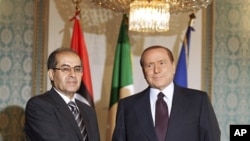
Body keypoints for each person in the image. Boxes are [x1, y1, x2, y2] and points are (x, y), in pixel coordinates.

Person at [112, 45, 220, 141]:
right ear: (144, 72)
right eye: (149, 65)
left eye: (161, 63)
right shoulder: (127, 106)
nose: (156, 70)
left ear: (173, 66)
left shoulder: (198, 101)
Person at [25, 48, 100, 141]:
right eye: (65, 69)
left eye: (77, 69)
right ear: (52, 74)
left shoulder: (89, 111)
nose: (73, 74)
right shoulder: (39, 106)